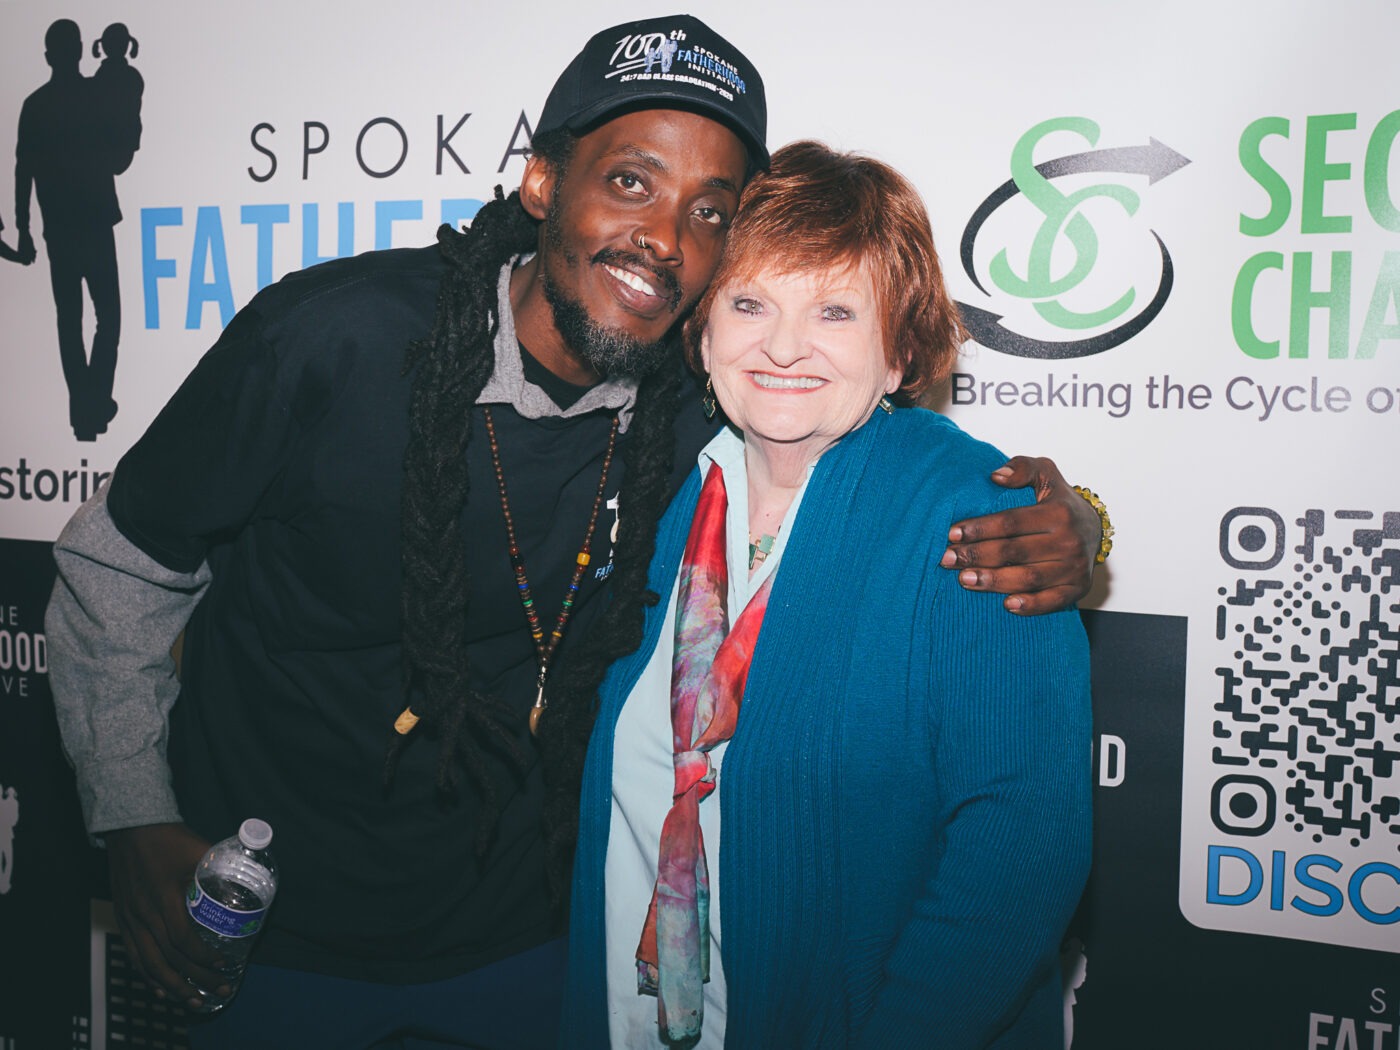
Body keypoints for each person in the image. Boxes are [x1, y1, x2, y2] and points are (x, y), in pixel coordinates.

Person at [45, 17, 1103, 1049]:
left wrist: (1072, 527)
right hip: (279, 938)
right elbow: (118, 564)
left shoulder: (704, 416)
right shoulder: (334, 340)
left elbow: (881, 462)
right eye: (630, 181)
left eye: (708, 211)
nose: (662, 236)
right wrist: (132, 814)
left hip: (531, 953)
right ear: (545, 182)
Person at [563, 141, 1092, 1048]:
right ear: (702, 330)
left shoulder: (970, 515)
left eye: (836, 311)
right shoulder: (665, 493)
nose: (782, 346)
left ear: (901, 354)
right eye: (750, 303)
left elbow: (1020, 852)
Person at [14, 19, 128, 440]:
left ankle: (86, 409)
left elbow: (23, 171)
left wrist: (24, 228)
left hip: (60, 229)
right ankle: (92, 405)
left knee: (72, 321)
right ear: (79, 50)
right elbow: (119, 156)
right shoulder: (94, 97)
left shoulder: (36, 105)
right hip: (93, 223)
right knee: (105, 318)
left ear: (50, 56)